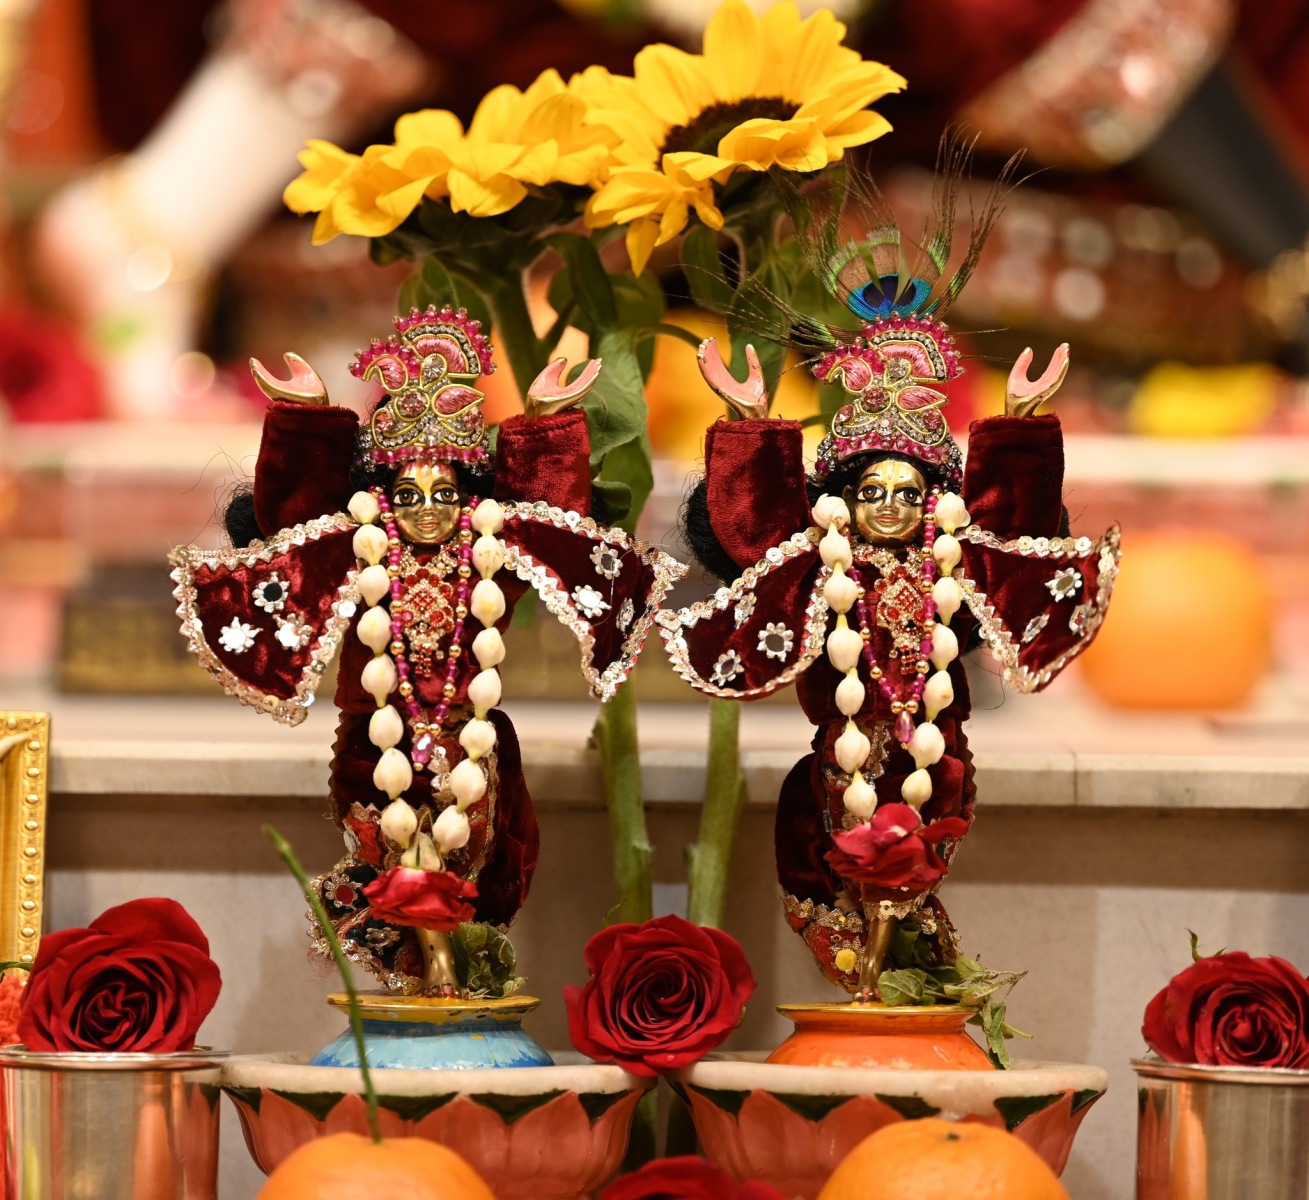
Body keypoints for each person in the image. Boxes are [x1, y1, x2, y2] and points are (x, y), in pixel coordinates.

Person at [665, 176, 1119, 996]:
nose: (888, 506)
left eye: (906, 493)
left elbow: (1008, 533)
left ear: (931, 502)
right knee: (834, 890)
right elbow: (757, 532)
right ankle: (871, 990)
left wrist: (1017, 423)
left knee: (909, 890)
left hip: (934, 765)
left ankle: (903, 988)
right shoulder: (822, 564)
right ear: (841, 500)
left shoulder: (951, 562)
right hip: (834, 770)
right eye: (870, 490)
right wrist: (749, 426)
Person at [171, 305, 682, 992]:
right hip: (373, 744)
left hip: (470, 743)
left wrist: (542, 424)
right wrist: (308, 418)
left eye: (445, 491)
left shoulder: (486, 555)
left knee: (468, 868)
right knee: (391, 864)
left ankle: (451, 982)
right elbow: (299, 520)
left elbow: (546, 515)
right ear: (381, 500)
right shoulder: (360, 552)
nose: (428, 507)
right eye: (408, 493)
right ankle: (423, 980)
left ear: (469, 499)